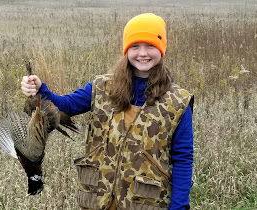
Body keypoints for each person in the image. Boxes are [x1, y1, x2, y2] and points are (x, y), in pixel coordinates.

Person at [21, 13, 193, 210]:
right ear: (126, 49)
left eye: (151, 45)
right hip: (99, 198)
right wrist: (40, 89)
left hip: (146, 202)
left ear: (161, 49)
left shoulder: (178, 101)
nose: (142, 53)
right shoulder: (102, 87)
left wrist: (179, 206)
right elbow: (65, 105)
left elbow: (183, 157)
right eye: (135, 46)